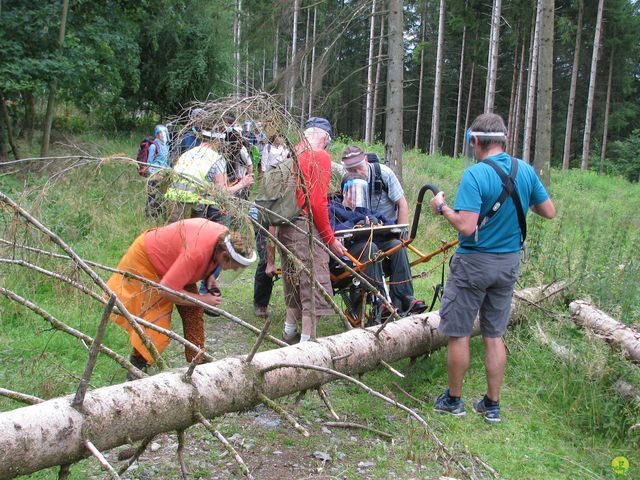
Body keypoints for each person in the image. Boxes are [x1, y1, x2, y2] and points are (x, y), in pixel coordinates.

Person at [430, 113, 556, 423]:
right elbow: (549, 211)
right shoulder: (523, 170)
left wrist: (442, 207)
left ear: (475, 141)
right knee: (493, 334)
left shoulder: (475, 175)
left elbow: (467, 226)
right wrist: (525, 199)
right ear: (504, 139)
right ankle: (491, 404)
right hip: (508, 264)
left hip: (474, 263)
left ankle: (454, 400)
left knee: (459, 333)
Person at [106, 218, 256, 376]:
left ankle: (197, 362)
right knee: (155, 324)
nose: (232, 270)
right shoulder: (196, 254)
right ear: (225, 256)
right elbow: (166, 290)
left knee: (193, 309)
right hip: (148, 262)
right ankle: (136, 366)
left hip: (175, 264)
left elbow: (209, 258)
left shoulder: (225, 240)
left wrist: (209, 276)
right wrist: (205, 300)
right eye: (234, 267)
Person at [273, 117, 345, 344]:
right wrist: (330, 239)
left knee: (292, 280)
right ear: (324, 137)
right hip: (305, 227)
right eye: (328, 141)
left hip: (285, 225)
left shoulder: (290, 154)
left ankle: (289, 331)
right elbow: (317, 203)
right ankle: (306, 343)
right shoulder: (320, 156)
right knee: (311, 283)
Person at [341, 146, 427, 315]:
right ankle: (380, 302)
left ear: (366, 160)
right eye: (351, 170)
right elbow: (339, 223)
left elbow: (402, 204)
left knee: (397, 246)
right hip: (361, 243)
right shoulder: (340, 206)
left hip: (384, 235)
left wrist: (400, 234)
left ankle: (406, 299)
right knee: (370, 248)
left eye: (359, 168)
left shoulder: (384, 174)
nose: (357, 172)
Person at [164, 130, 253, 223]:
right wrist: (242, 183)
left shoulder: (187, 154)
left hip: (173, 201)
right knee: (224, 222)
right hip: (196, 205)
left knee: (175, 235)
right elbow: (222, 192)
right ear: (217, 141)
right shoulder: (216, 159)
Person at [145, 124, 171, 218]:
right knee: (152, 196)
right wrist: (154, 175)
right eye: (161, 133)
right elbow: (149, 163)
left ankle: (161, 213)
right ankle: (150, 215)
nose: (163, 135)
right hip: (155, 175)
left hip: (164, 175)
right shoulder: (153, 146)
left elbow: (165, 162)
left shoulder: (166, 147)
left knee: (163, 195)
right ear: (157, 135)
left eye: (164, 133)